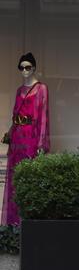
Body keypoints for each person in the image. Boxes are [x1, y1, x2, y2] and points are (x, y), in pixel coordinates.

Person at [2, 53, 50, 226]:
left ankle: (28, 221)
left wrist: (41, 143)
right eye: (21, 67)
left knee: (28, 175)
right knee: (15, 176)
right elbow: (14, 116)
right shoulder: (18, 90)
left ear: (34, 68)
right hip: (17, 138)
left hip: (31, 137)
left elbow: (43, 117)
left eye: (28, 67)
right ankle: (13, 223)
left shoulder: (41, 88)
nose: (24, 71)